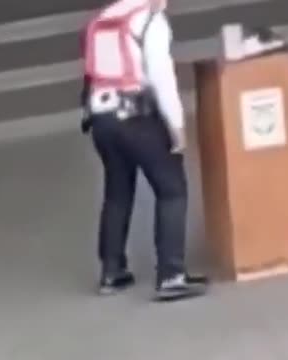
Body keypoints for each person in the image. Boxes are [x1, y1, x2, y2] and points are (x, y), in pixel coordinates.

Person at [80, 0, 208, 301]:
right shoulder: (151, 20)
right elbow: (161, 75)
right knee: (172, 189)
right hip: (136, 115)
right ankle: (171, 273)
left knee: (117, 193)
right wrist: (176, 124)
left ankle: (112, 271)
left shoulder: (102, 20)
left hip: (102, 118)